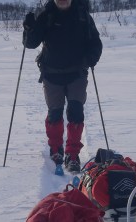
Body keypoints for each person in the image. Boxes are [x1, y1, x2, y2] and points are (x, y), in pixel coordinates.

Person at [23, 0, 103, 174]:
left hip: (77, 74)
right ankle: (56, 150)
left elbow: (96, 44)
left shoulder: (83, 16)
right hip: (51, 75)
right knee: (55, 114)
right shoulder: (46, 16)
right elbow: (31, 43)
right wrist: (28, 29)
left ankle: (72, 155)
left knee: (76, 112)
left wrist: (90, 58)